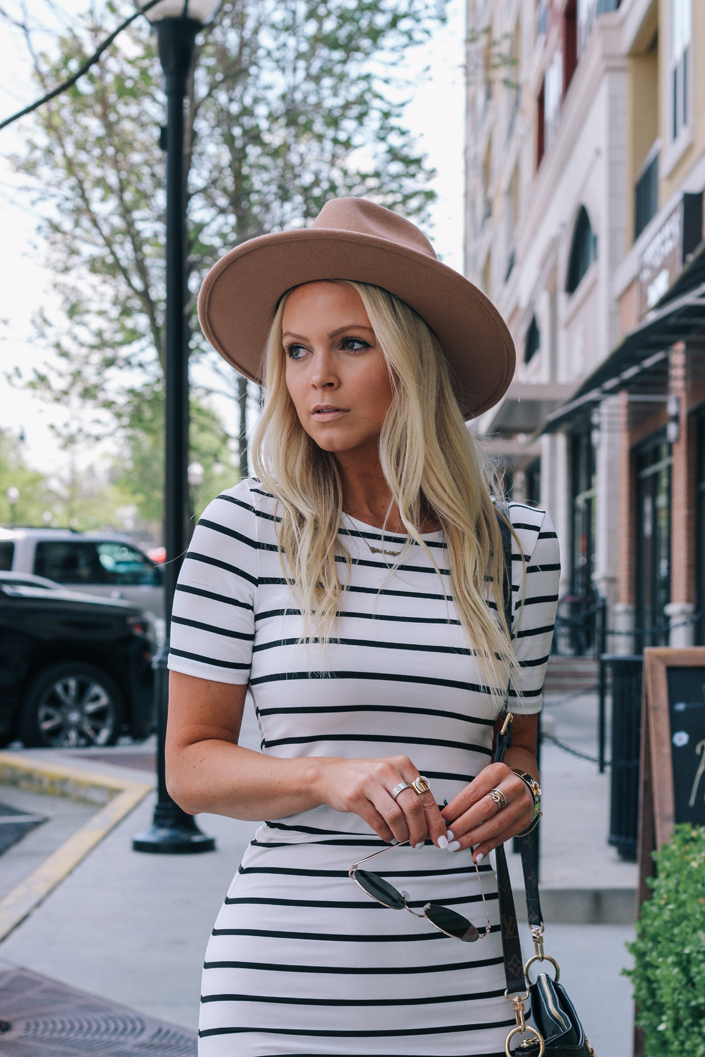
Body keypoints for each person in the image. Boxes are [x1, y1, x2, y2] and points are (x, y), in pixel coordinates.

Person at [166, 197, 560, 1056]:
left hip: (461, 986)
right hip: (277, 987)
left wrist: (519, 794)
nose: (316, 377)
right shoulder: (244, 529)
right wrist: (322, 776)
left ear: (411, 359)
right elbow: (190, 767)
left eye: (350, 343)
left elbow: (520, 748)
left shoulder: (520, 549)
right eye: (295, 351)